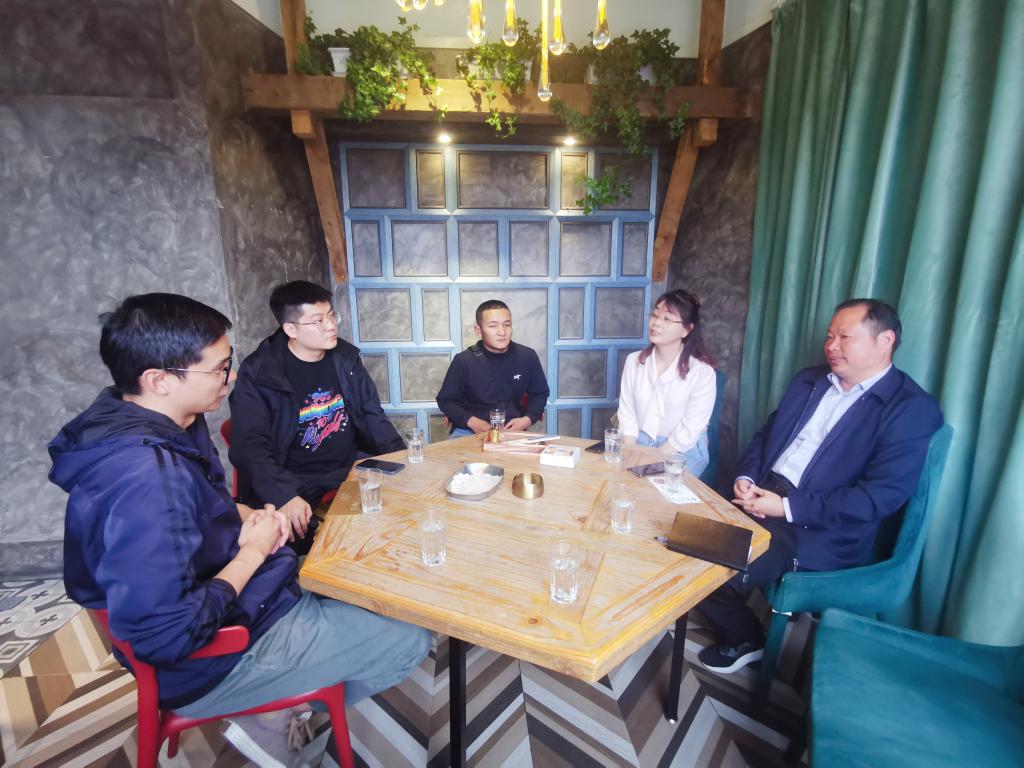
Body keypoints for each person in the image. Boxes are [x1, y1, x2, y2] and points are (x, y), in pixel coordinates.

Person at [48, 293, 429, 767]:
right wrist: (252, 552)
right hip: (214, 658)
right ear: (159, 380)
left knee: (365, 584)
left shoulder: (161, 423)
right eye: (219, 369)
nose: (230, 381)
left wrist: (241, 511)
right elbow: (166, 636)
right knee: (409, 639)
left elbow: (186, 513)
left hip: (253, 594)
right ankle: (272, 708)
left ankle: (283, 693)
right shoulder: (143, 477)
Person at [697, 298, 943, 674]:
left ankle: (746, 638)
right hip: (763, 494)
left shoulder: (910, 409)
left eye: (845, 337)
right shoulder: (809, 381)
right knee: (685, 535)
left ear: (885, 340)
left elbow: (877, 499)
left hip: (816, 529)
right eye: (830, 336)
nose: (831, 346)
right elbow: (766, 436)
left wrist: (787, 508)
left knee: (709, 570)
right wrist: (746, 478)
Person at [229, 281, 404, 553]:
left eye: (332, 316)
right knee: (313, 550)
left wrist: (401, 457)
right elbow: (249, 448)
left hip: (349, 468)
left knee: (391, 521)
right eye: (318, 321)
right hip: (297, 478)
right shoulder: (260, 373)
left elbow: (372, 415)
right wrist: (284, 494)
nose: (331, 326)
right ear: (291, 329)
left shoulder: (345, 357)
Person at [616, 289, 717, 476]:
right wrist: (631, 452)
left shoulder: (702, 373)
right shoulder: (634, 361)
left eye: (667, 319)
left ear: (686, 330)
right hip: (639, 441)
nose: (656, 323)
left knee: (658, 488)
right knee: (622, 482)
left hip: (682, 449)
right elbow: (627, 414)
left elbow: (689, 431)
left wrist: (651, 459)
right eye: (655, 315)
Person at [436, 299, 550, 436]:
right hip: (469, 430)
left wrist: (527, 420)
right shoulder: (464, 360)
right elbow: (446, 400)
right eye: (493, 326)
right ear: (478, 330)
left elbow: (540, 394)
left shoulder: (527, 356)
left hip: (513, 430)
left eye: (507, 325)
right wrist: (471, 422)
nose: (502, 332)